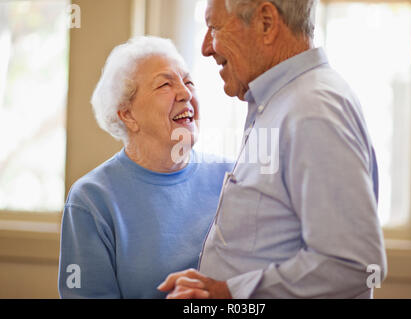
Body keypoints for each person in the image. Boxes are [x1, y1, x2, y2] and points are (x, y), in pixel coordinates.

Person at [158, 0, 387, 298]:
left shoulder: (313, 109)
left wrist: (229, 293)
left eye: (214, 27)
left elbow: (353, 265)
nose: (205, 47)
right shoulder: (279, 103)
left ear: (266, 23)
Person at [58, 36, 231, 298]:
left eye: (189, 82)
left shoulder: (232, 178)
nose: (185, 93)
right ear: (127, 114)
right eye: (165, 84)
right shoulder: (91, 199)